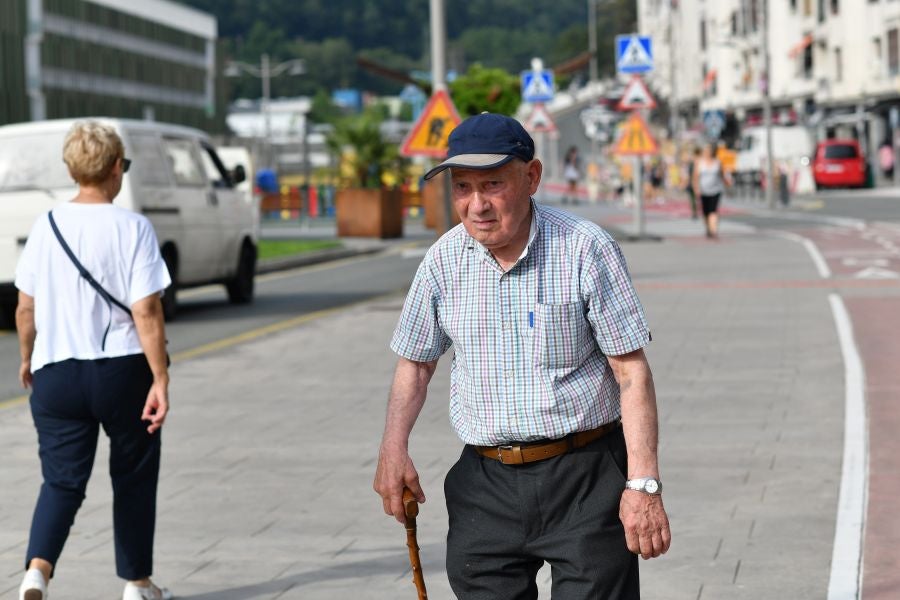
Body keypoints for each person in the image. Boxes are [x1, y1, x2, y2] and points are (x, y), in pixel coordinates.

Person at [373, 113, 671, 599]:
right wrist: (393, 448)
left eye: (492, 184)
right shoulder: (443, 261)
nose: (477, 205)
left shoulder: (585, 249)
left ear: (531, 177)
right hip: (485, 486)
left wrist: (643, 485)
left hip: (585, 478)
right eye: (462, 187)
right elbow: (416, 363)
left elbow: (631, 373)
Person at [15, 121, 173, 600]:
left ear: (72, 170)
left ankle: (37, 571)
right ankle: (136, 584)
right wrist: (160, 377)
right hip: (122, 371)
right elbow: (146, 310)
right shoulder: (134, 227)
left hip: (57, 372)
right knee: (133, 475)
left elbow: (25, 308)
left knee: (61, 480)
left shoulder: (45, 226)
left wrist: (27, 358)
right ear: (114, 168)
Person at [692, 142, 730, 239]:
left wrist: (727, 182)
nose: (708, 152)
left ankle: (714, 230)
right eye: (706, 151)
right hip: (703, 191)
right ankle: (708, 228)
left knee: (713, 210)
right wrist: (696, 189)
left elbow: (722, 175)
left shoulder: (717, 162)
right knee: (706, 211)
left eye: (710, 151)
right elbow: (695, 177)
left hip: (716, 190)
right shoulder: (699, 162)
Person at [685, 147, 701, 219]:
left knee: (695, 198)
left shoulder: (698, 162)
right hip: (694, 183)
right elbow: (689, 174)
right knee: (693, 198)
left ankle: (695, 212)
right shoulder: (694, 162)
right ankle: (695, 212)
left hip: (696, 183)